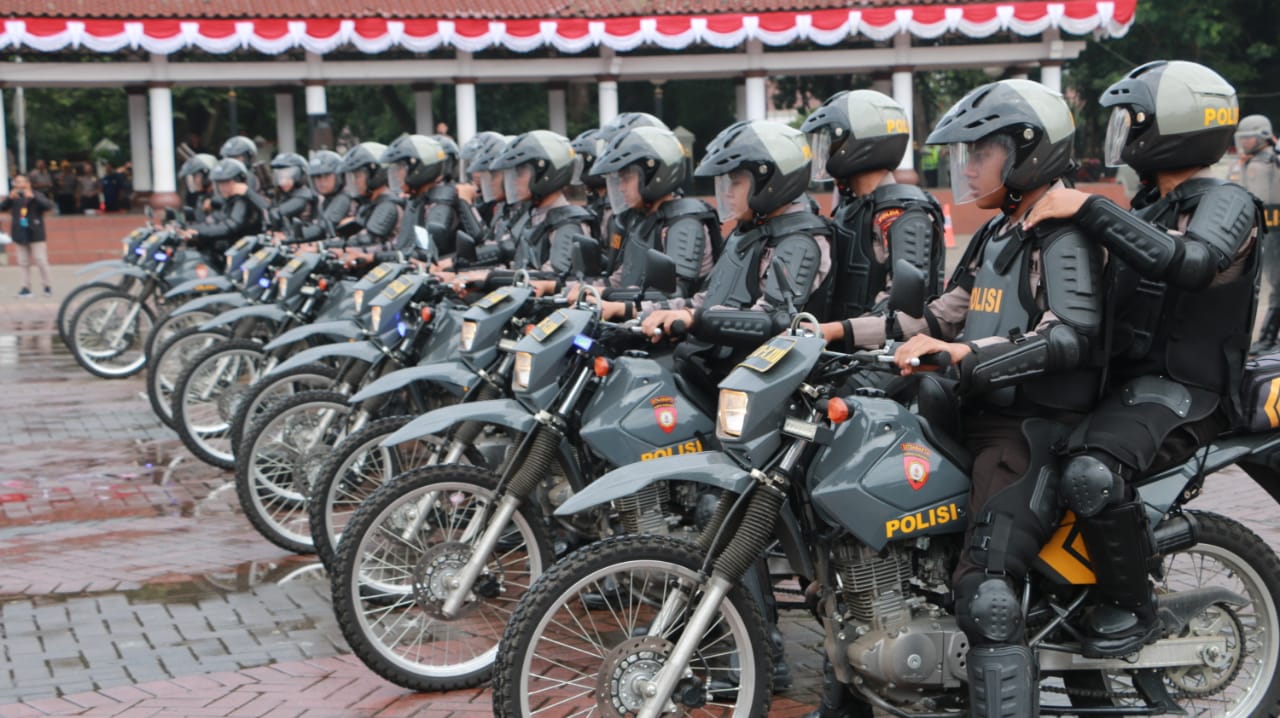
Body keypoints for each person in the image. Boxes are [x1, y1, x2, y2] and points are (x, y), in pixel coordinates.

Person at [824, 79, 1105, 718]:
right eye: (968, 153)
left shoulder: (1061, 237)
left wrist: (967, 356)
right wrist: (833, 335)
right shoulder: (997, 234)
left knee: (986, 593)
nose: (969, 166)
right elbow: (935, 317)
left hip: (1031, 427)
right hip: (975, 412)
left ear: (1028, 152)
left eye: (982, 152)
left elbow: (1068, 337)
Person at [1023, 60, 1263, 660]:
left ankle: (1135, 607)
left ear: (1173, 126)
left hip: (1186, 389)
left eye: (1131, 120)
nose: (1121, 133)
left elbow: (1191, 263)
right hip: (1127, 384)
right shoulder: (1148, 205)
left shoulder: (1227, 200)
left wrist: (1087, 208)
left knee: (1090, 474)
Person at [801, 89, 945, 325]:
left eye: (832, 143)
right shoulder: (853, 207)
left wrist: (841, 332)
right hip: (839, 348)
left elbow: (903, 305)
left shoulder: (901, 212)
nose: (825, 153)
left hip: (883, 353)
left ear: (860, 143)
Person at [562, 125, 715, 299]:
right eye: (619, 180)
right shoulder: (642, 220)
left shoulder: (683, 224)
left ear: (655, 174)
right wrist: (575, 289)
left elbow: (673, 294)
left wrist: (612, 300)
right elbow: (619, 280)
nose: (620, 188)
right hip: (634, 319)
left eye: (627, 178)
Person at [1227, 114, 1280, 354]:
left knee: (1277, 283)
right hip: (1259, 230)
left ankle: (1269, 337)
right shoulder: (1242, 163)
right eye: (1243, 138)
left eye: (1250, 138)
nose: (1246, 143)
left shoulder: (1275, 159)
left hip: (1276, 229)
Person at [177, 158, 264, 269]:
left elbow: (230, 225)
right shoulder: (229, 200)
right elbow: (215, 219)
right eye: (220, 183)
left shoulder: (242, 201)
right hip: (230, 252)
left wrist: (198, 232)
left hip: (243, 257)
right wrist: (188, 228)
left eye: (226, 183)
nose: (222, 187)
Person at [1, 174, 55, 297]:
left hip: (36, 233)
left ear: (28, 183)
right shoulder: (14, 197)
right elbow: (2, 207)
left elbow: (47, 206)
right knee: (23, 262)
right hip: (20, 233)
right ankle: (25, 288)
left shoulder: (36, 194)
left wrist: (34, 197)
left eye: (22, 182)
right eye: (17, 182)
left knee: (41, 260)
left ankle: (47, 286)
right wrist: (9, 198)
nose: (20, 185)